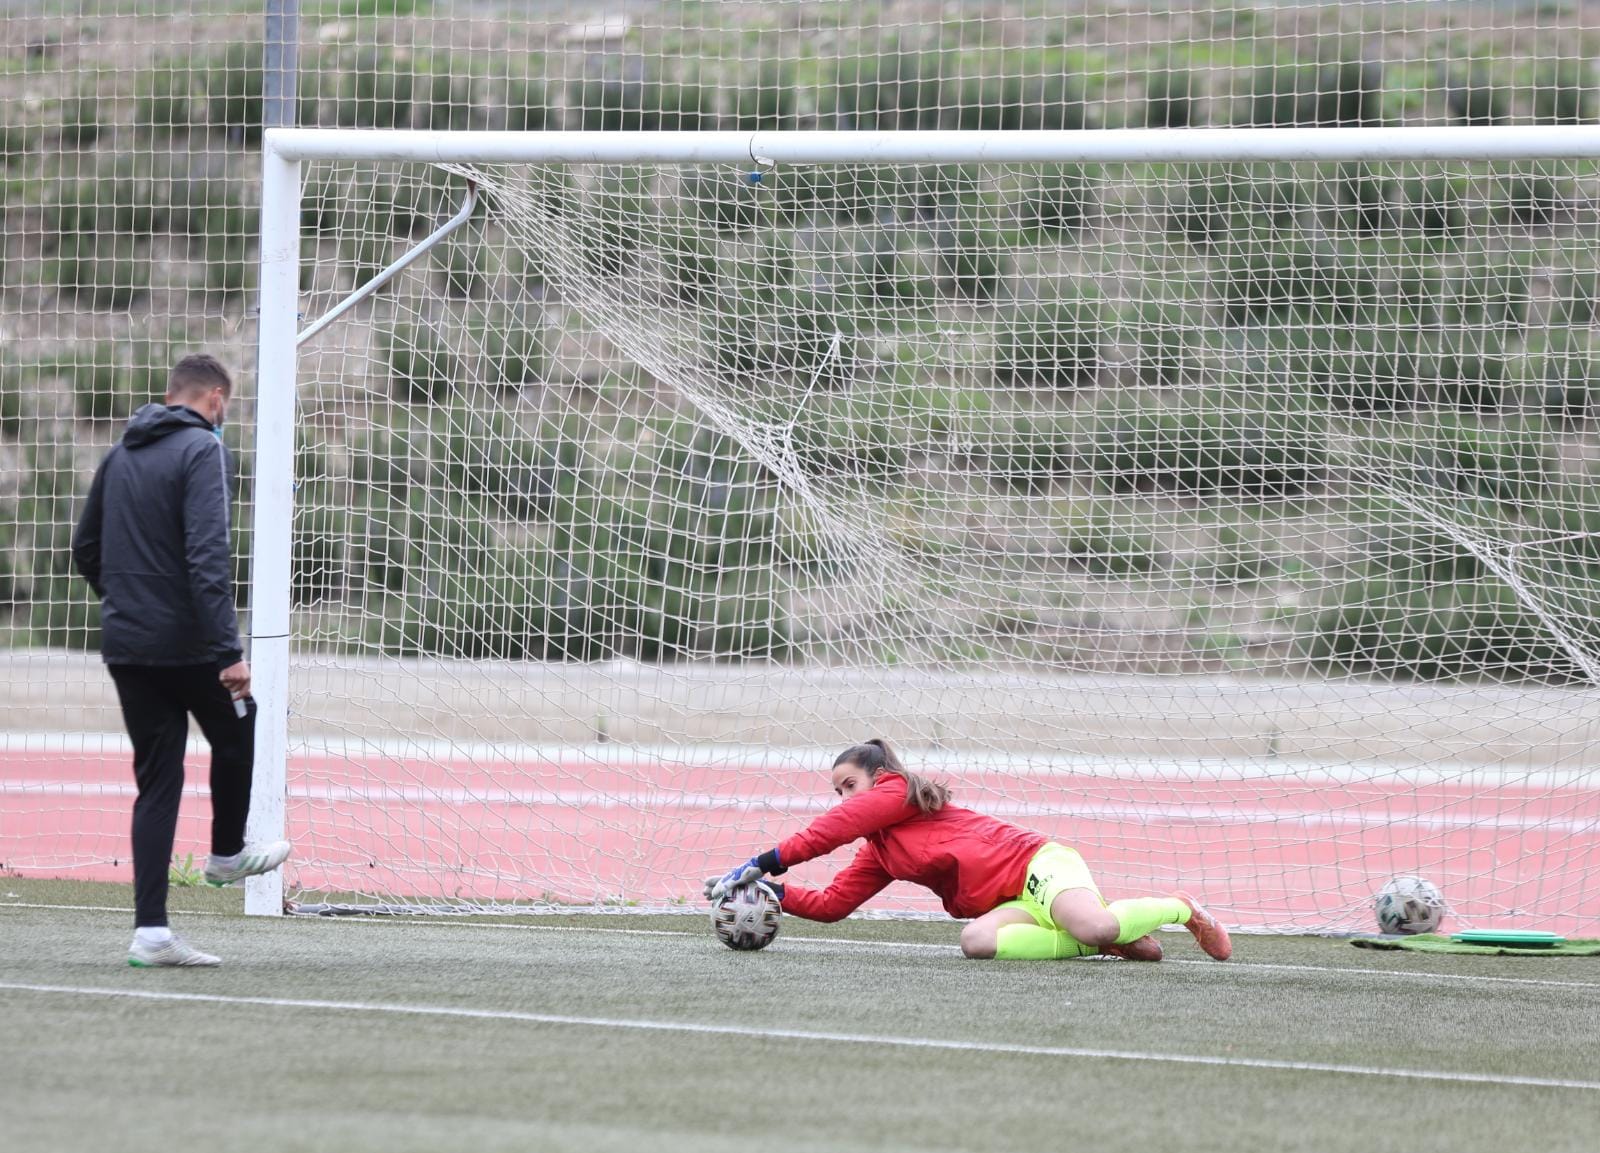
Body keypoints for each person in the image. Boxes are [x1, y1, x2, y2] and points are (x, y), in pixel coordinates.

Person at [72, 353, 292, 968]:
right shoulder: (203, 452)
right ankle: (225, 854)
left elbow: (84, 547)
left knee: (158, 783)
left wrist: (127, 602)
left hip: (128, 644)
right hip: (189, 644)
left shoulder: (120, 454)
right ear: (215, 399)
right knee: (241, 721)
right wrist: (228, 652)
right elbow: (207, 556)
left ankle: (151, 934)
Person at [704, 739, 1232, 963]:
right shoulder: (879, 852)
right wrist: (767, 889)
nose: (843, 797)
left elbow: (834, 829)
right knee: (976, 942)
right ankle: (1096, 940)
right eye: (836, 791)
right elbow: (833, 904)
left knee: (1094, 923)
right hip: (1014, 903)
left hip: (1039, 866)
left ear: (879, 777)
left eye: (848, 784)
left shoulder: (896, 793)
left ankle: (1182, 907)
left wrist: (763, 861)